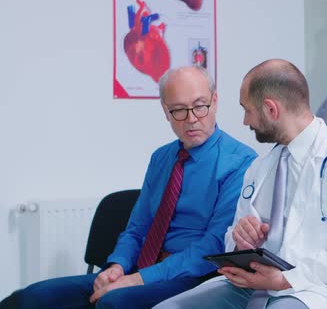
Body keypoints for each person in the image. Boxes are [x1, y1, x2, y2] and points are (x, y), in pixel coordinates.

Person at [7, 65, 257, 308]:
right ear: (165, 110)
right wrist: (117, 266)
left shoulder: (240, 163)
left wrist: (136, 280)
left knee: (114, 302)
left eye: (200, 106)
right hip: (140, 267)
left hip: (191, 276)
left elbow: (212, 247)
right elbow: (138, 228)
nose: (191, 119)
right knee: (33, 297)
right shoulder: (162, 158)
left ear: (215, 101)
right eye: (178, 110)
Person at [155, 59, 327, 309]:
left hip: (318, 290)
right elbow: (232, 238)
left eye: (247, 110)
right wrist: (240, 239)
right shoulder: (260, 167)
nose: (245, 121)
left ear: (270, 109)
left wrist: (285, 279)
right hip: (253, 285)